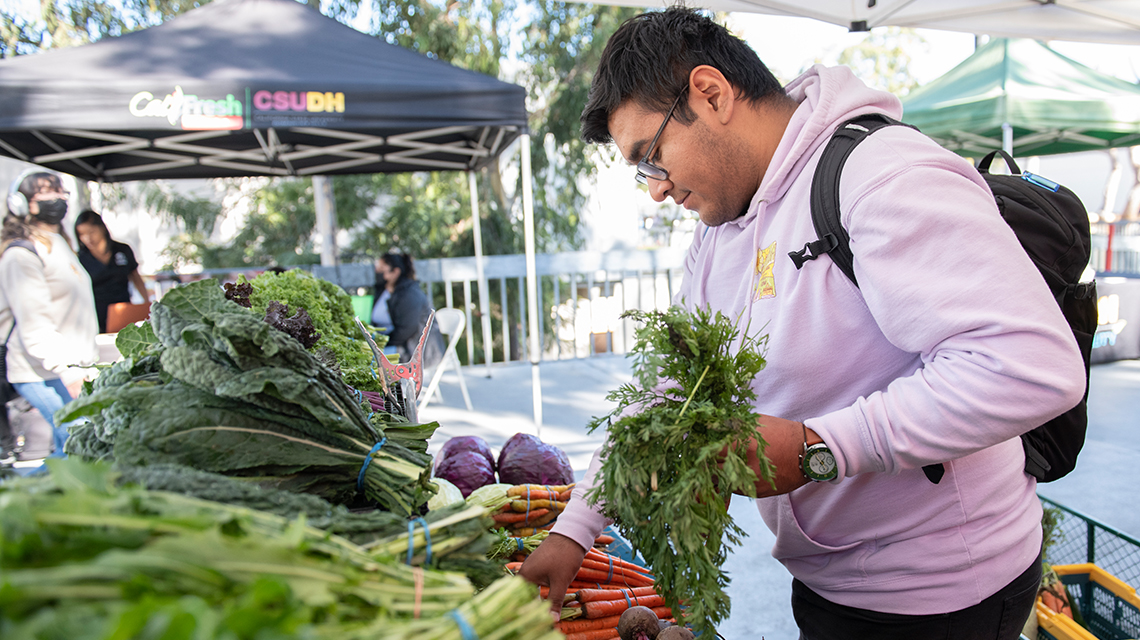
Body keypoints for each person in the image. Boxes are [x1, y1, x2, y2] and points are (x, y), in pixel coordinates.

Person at [519, 9, 1086, 640]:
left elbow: (1031, 365)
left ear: (711, 93)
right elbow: (665, 400)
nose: (654, 189)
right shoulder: (716, 236)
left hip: (942, 594)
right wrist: (576, 529)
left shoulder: (879, 175)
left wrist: (820, 448)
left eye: (650, 158)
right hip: (826, 580)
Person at [0, 170, 98, 460]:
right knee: (79, 442)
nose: (57, 199)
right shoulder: (21, 254)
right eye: (46, 193)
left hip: (66, 368)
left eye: (61, 192)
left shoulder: (59, 245)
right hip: (41, 370)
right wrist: (66, 371)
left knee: (72, 447)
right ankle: (21, 500)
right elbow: (34, 323)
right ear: (22, 203)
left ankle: (27, 498)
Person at [74, 209, 151, 333]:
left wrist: (146, 303)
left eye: (91, 232)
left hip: (123, 312)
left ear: (102, 228)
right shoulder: (79, 259)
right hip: (96, 315)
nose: (88, 238)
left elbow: (135, 277)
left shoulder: (123, 250)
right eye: (82, 234)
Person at [374, 251, 445, 369]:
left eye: (382, 269)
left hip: (417, 353)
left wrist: (380, 344)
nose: (378, 272)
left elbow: (406, 330)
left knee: (370, 359)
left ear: (395, 272)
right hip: (404, 347)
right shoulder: (391, 290)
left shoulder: (409, 295)